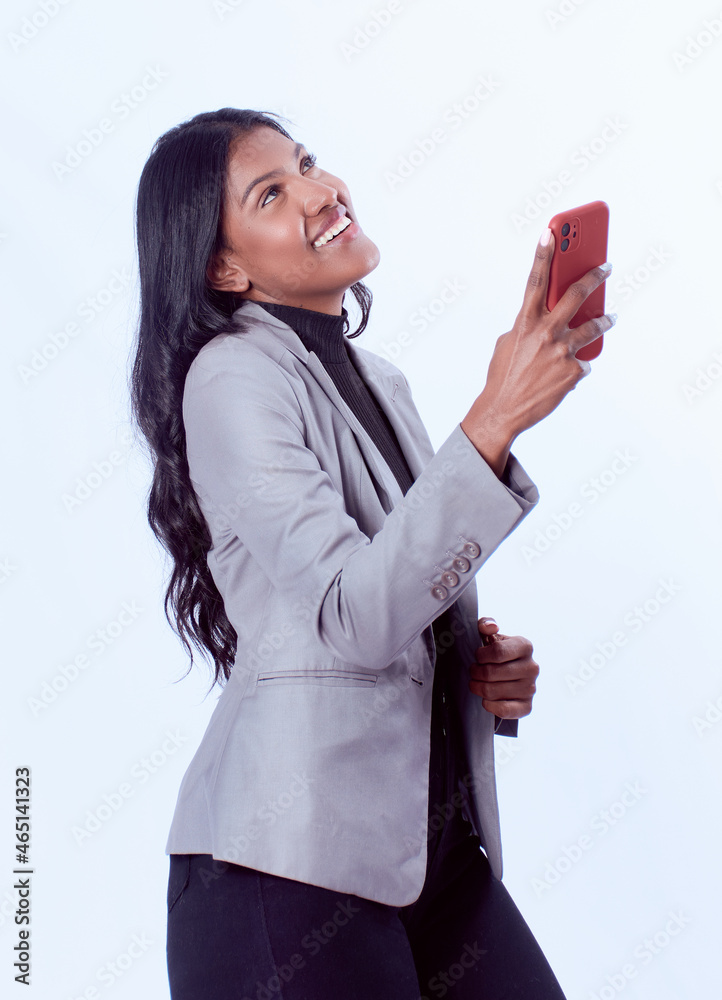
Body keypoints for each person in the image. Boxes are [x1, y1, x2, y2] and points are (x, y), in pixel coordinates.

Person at [130, 108, 615, 999]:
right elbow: (355, 620)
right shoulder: (231, 378)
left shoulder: (377, 379)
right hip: (284, 880)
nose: (322, 192)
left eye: (308, 164)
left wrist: (473, 660)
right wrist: (496, 416)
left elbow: (391, 592)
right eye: (273, 193)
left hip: (424, 859)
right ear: (223, 266)